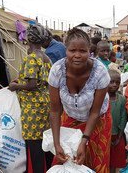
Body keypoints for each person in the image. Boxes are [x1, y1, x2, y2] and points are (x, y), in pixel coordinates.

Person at [48, 28, 111, 172]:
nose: (77, 55)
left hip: (98, 122)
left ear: (90, 51)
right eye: (72, 50)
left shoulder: (100, 73)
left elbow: (95, 112)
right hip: (70, 119)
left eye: (82, 51)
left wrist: (84, 140)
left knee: (96, 162)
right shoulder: (56, 71)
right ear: (66, 50)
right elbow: (55, 111)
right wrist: (56, 143)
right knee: (66, 159)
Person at [8, 23, 52, 173]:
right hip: (44, 104)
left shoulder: (31, 58)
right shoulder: (46, 58)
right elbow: (40, 82)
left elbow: (32, 84)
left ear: (29, 38)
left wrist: (16, 86)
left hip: (32, 108)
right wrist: (21, 82)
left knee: (34, 143)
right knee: (43, 141)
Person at [108, 70, 128, 173]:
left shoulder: (122, 99)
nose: (114, 85)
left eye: (117, 82)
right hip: (104, 135)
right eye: (111, 82)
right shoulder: (102, 99)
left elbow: (123, 118)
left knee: (114, 160)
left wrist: (119, 136)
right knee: (104, 158)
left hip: (117, 135)